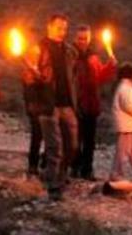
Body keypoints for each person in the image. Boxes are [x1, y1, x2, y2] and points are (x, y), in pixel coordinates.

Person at [26, 13, 79, 201]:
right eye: (58, 27)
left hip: (67, 105)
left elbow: (73, 78)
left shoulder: (70, 50)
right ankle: (53, 185)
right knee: (54, 147)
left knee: (72, 145)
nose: (62, 31)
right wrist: (34, 103)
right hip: (48, 105)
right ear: (49, 27)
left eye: (65, 28)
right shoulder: (38, 49)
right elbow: (29, 78)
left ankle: (60, 177)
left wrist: (75, 102)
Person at [71, 25, 116, 181]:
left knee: (90, 140)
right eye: (80, 38)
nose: (83, 41)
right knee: (76, 139)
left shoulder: (93, 58)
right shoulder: (71, 56)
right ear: (75, 39)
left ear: (89, 39)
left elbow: (100, 77)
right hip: (77, 104)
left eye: (85, 38)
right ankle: (74, 168)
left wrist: (110, 65)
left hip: (92, 105)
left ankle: (87, 169)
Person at [21, 43, 45, 177]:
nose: (37, 56)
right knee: (37, 136)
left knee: (49, 136)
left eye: (39, 54)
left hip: (45, 107)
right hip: (34, 108)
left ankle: (44, 163)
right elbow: (30, 89)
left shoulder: (41, 69)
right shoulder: (27, 72)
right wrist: (36, 75)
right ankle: (33, 165)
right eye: (34, 54)